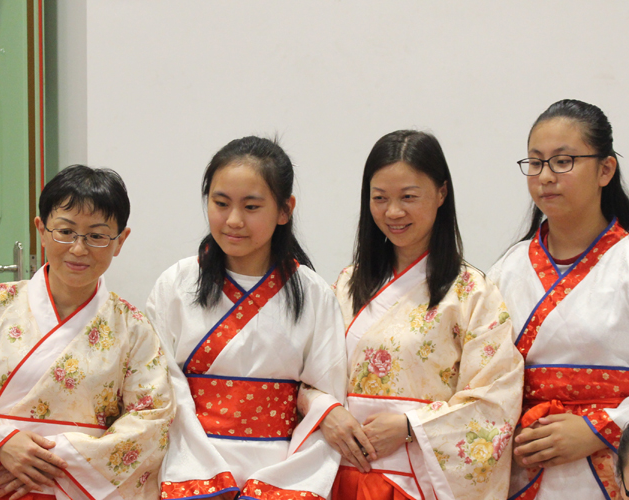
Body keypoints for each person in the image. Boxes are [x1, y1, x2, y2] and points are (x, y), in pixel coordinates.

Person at [0, 165, 176, 500]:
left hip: (77, 485)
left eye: (97, 236)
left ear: (120, 241)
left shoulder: (133, 328)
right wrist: (1, 444)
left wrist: (53, 461)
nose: (79, 249)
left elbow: (152, 416)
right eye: (66, 231)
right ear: (42, 230)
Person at [318, 130, 524, 499]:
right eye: (380, 198)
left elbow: (495, 400)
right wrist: (324, 411)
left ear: (441, 193)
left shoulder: (472, 293)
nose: (393, 212)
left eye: (408, 197)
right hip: (341, 475)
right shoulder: (347, 284)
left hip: (419, 484)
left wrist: (411, 426)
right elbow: (307, 371)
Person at [147, 136, 347, 499]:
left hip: (283, 474)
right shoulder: (174, 285)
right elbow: (163, 391)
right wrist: (206, 479)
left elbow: (328, 401)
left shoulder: (315, 295)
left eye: (251, 206)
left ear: (285, 210)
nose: (234, 220)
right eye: (220, 203)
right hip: (189, 470)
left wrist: (277, 486)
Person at [488, 99, 629, 500]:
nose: (545, 177)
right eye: (535, 163)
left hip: (614, 465)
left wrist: (602, 428)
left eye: (563, 161)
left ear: (605, 170)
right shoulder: (507, 269)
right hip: (523, 465)